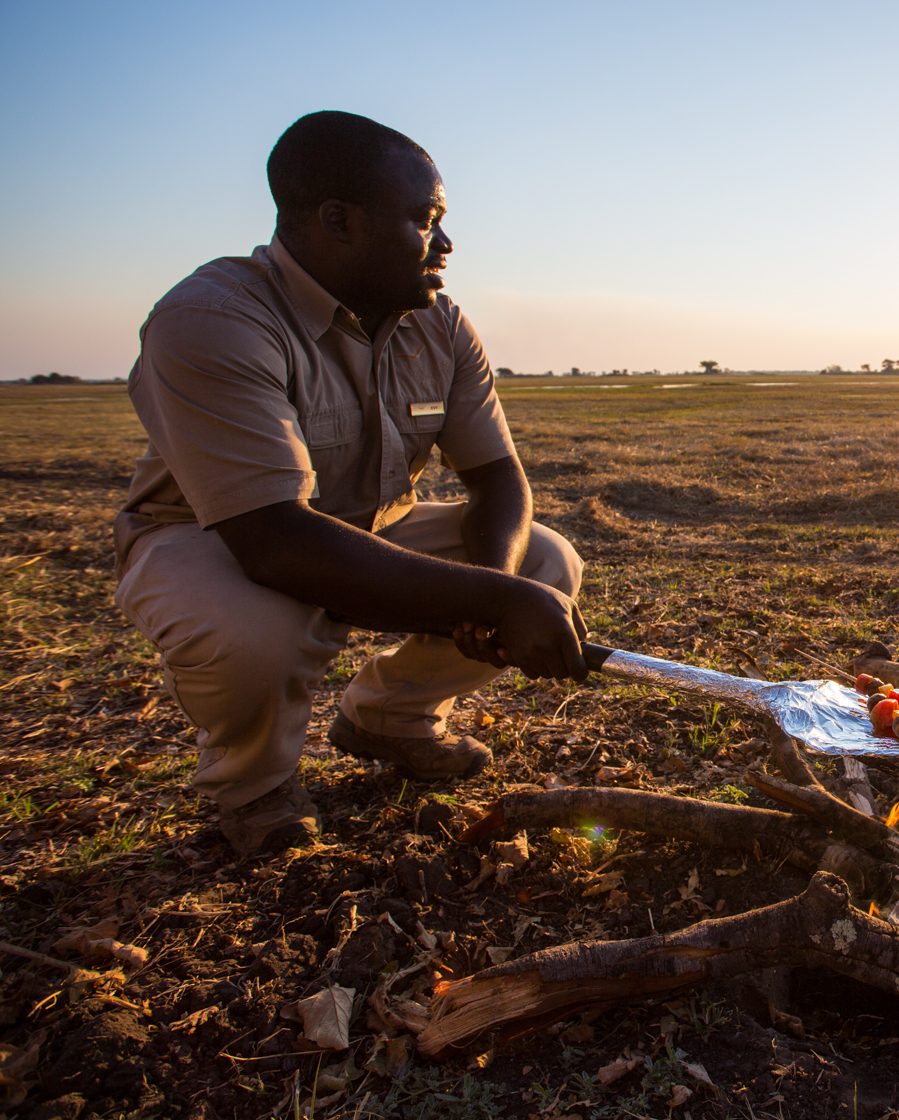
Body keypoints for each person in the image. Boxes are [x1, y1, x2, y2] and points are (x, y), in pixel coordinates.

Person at [114, 111, 590, 856]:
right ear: (338, 220)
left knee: (546, 564)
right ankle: (255, 786)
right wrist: (490, 602)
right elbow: (274, 542)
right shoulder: (212, 318)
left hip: (369, 525)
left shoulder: (441, 324)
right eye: (424, 219)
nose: (446, 244)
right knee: (253, 633)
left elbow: (498, 481)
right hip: (214, 536)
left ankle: (389, 718)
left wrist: (494, 589)